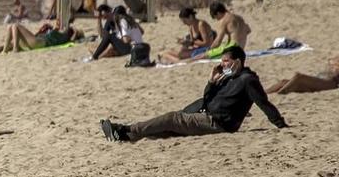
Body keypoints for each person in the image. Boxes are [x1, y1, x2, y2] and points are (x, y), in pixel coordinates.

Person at [101, 46, 286, 142]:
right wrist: (211, 82)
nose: (223, 65)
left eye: (226, 61)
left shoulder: (248, 80)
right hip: (207, 116)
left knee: (172, 119)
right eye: (222, 61)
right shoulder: (228, 77)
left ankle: (125, 131)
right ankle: (129, 136)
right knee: (166, 130)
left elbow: (264, 103)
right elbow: (208, 99)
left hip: (218, 123)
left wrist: (281, 125)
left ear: (238, 62)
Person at [272, 56, 339, 96]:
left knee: (299, 77)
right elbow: (331, 61)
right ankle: (264, 95)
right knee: (283, 82)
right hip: (318, 79)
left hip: (329, 82)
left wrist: (335, 64)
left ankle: (281, 93)